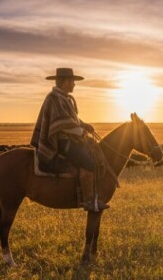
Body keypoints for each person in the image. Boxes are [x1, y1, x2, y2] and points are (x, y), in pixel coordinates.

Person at [30, 67, 108, 212]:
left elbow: (72, 119)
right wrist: (81, 131)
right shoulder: (54, 98)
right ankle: (89, 200)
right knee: (89, 163)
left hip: (69, 139)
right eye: (72, 81)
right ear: (65, 81)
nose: (74, 84)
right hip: (63, 142)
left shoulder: (63, 98)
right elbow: (63, 122)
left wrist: (84, 125)